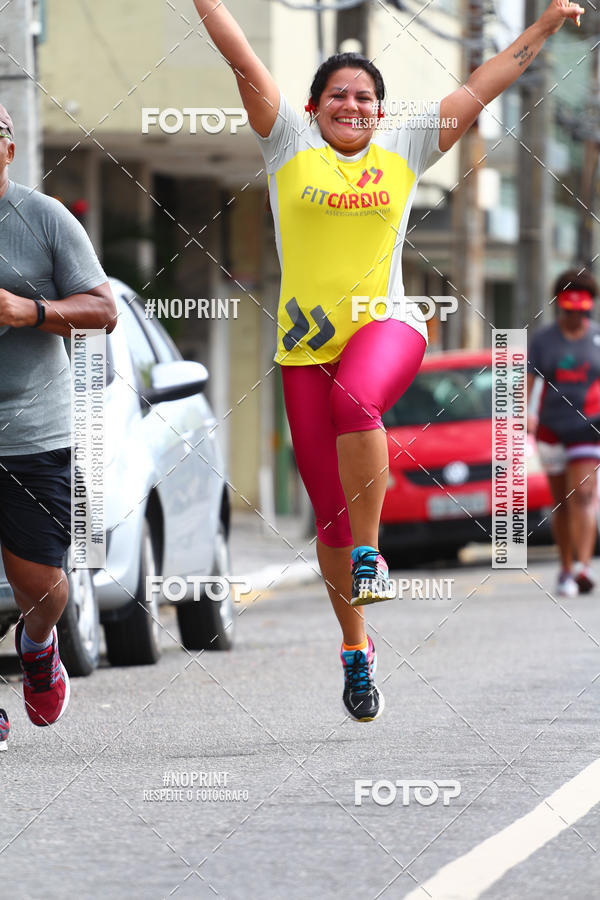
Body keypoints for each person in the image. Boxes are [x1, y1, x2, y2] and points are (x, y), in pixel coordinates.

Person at [193, 0, 584, 721]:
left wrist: (542, 28)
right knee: (330, 522)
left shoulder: (403, 145)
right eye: (338, 94)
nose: (353, 104)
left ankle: (373, 557)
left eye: (365, 97)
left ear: (380, 111)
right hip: (304, 349)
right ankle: (355, 649)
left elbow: (484, 84)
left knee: (358, 404)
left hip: (389, 325)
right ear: (312, 108)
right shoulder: (286, 142)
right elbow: (243, 59)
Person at [0, 104, 116, 737]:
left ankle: (39, 648)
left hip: (32, 433)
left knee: (43, 588)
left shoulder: (42, 219)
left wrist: (29, 311)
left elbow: (104, 309)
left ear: (9, 149)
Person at [527, 268, 600, 598]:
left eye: (581, 311)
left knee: (584, 494)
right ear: (559, 306)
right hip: (550, 429)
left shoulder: (598, 338)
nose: (575, 318)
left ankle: (585, 568)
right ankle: (566, 568)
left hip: (588, 427)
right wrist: (525, 415)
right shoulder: (543, 340)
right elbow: (528, 383)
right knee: (561, 502)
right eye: (569, 311)